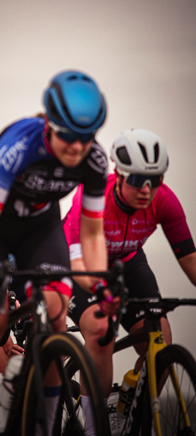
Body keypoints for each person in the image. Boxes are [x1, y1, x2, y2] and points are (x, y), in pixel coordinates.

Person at [0, 69, 111, 435]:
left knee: (57, 316)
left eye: (86, 138)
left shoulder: (94, 161)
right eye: (68, 136)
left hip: (38, 228)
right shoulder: (19, 145)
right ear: (48, 122)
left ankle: (44, 425)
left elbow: (92, 232)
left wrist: (100, 288)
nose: (77, 148)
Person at [63, 129, 196, 415]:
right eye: (137, 180)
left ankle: (132, 408)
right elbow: (78, 262)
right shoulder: (93, 198)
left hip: (128, 261)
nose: (147, 190)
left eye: (155, 180)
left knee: (160, 341)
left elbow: (190, 259)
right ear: (119, 175)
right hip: (80, 264)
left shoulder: (165, 200)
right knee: (101, 332)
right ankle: (93, 427)